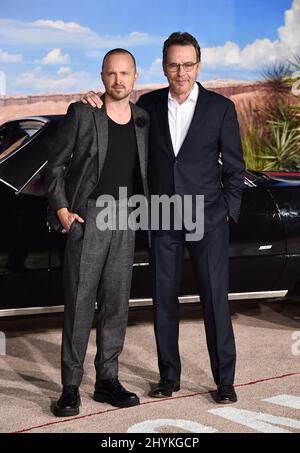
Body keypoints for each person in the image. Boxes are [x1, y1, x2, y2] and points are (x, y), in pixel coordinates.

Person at [81, 32, 245, 404]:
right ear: (164, 66)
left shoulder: (220, 109)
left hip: (207, 220)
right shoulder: (148, 106)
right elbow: (114, 114)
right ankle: (169, 377)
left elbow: (235, 169)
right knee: (164, 301)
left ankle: (225, 381)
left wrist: (225, 214)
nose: (181, 72)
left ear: (198, 66)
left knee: (215, 302)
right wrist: (92, 99)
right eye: (174, 65)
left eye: (188, 65)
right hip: (163, 217)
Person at [45, 48, 149, 416]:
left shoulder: (143, 119)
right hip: (88, 218)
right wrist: (63, 213)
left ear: (135, 77)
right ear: (102, 76)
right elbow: (54, 167)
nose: (118, 80)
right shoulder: (83, 113)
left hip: (126, 219)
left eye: (125, 73)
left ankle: (107, 380)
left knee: (116, 305)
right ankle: (70, 387)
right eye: (111, 73)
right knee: (79, 304)